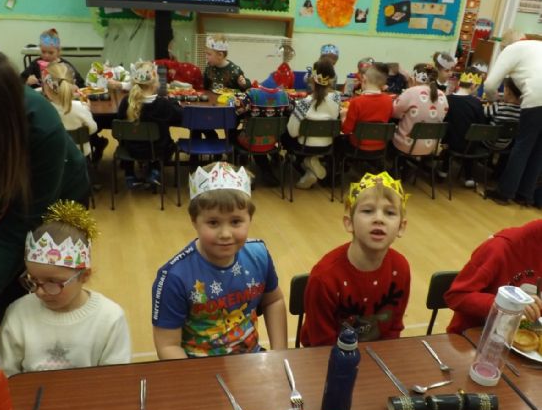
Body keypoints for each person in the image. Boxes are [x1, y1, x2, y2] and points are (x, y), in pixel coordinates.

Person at [0, 51, 90, 325]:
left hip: (53, 202)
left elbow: (19, 227)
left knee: (26, 296)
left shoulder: (41, 127)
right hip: (7, 193)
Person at [152, 162, 287, 358]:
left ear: (250, 218)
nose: (225, 234)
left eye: (236, 221)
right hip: (197, 368)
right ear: (194, 221)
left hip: (251, 360)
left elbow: (273, 300)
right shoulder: (173, 278)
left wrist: (279, 355)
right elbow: (167, 346)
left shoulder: (259, 255)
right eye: (213, 222)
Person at [0, 200, 132, 377]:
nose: (40, 292)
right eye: (33, 280)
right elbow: (4, 373)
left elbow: (116, 378)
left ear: (84, 276)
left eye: (52, 282)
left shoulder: (110, 318)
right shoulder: (18, 313)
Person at [300, 171, 410, 346]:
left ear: (401, 227)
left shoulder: (400, 268)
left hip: (379, 355)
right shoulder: (324, 278)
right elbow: (322, 345)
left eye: (389, 213)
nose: (379, 219)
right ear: (349, 223)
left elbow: (393, 329)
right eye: (367, 211)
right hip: (327, 356)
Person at [445, 219, 542, 334]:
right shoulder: (498, 248)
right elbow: (456, 296)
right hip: (471, 335)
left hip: (517, 334)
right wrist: (509, 304)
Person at [483, 30, 542, 207]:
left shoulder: (512, 49)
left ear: (504, 46)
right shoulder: (537, 45)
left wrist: (495, 100)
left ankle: (505, 192)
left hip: (537, 98)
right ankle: (525, 196)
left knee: (522, 146)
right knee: (539, 150)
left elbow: (490, 85)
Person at [117, 60, 183, 188]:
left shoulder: (126, 102)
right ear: (155, 84)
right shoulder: (163, 104)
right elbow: (179, 116)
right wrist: (174, 103)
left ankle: (129, 175)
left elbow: (120, 121)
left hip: (131, 150)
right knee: (166, 141)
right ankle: (155, 171)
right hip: (157, 151)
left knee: (125, 139)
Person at [283, 58, 341, 189]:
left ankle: (306, 164)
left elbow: (292, 132)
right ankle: (310, 164)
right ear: (332, 80)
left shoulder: (303, 103)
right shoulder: (336, 100)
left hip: (304, 146)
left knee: (285, 137)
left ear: (311, 80)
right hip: (327, 146)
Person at [234, 85, 292, 186]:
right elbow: (292, 111)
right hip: (273, 142)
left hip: (250, 143)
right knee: (263, 132)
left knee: (232, 133)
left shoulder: (252, 94)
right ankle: (269, 167)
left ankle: (240, 166)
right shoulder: (284, 95)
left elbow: (238, 110)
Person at [439, 67, 486, 188]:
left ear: (459, 82)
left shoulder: (448, 99)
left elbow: (443, 120)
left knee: (451, 132)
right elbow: (481, 124)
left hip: (449, 144)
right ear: (474, 85)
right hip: (468, 145)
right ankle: (468, 177)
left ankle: (443, 171)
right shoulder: (476, 103)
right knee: (471, 138)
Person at [338, 62, 394, 161]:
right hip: (381, 147)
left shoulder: (356, 102)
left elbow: (346, 130)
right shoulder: (389, 100)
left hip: (357, 147)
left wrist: (343, 116)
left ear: (363, 79)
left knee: (338, 141)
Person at [42, 62, 98, 157]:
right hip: (80, 156)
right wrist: (87, 110)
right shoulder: (81, 107)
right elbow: (93, 129)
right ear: (72, 84)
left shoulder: (43, 110)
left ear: (46, 89)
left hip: (54, 158)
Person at [392, 63, 448, 157]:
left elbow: (394, 113)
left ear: (414, 77)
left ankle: (396, 162)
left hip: (407, 145)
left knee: (391, 132)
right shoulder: (442, 95)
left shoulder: (410, 92)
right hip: (431, 146)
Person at [483, 77, 521, 178]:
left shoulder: (499, 107)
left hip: (489, 142)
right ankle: (496, 171)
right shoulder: (521, 111)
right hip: (505, 144)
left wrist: (493, 103)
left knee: (480, 128)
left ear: (508, 92)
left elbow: (484, 112)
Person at [20, 28, 85, 88]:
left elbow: (81, 84)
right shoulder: (35, 64)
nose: (46, 56)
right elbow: (19, 80)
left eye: (51, 53)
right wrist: (27, 81)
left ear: (58, 52)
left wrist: (72, 86)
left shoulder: (65, 66)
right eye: (43, 52)